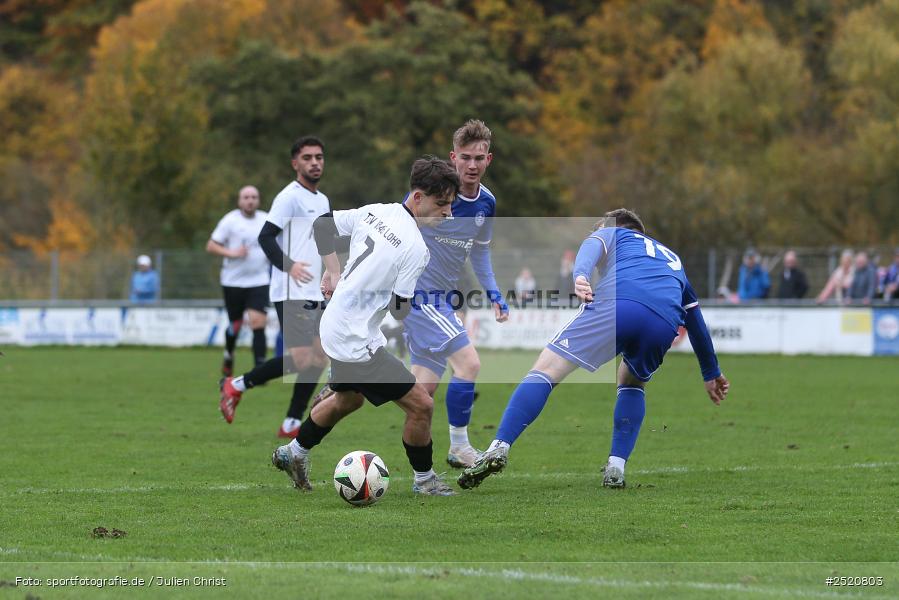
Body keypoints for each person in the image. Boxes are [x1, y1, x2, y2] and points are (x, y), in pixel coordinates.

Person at [458, 208, 729, 491]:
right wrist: (711, 372)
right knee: (631, 380)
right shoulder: (673, 259)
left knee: (546, 370)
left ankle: (498, 447)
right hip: (664, 322)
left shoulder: (613, 231)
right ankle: (616, 466)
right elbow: (695, 319)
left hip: (619, 304)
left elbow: (591, 246)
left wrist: (581, 275)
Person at [271, 156, 459, 496]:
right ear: (418, 197)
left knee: (349, 401)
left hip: (337, 325)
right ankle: (425, 480)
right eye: (441, 204)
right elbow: (400, 311)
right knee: (422, 405)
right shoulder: (417, 248)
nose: (447, 213)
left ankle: (292, 452)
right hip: (355, 339)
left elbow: (323, 225)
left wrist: (333, 270)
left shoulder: (377, 211)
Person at [395, 120, 510, 469]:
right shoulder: (432, 193)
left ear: (488, 159)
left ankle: (345, 393)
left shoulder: (486, 202)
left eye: (479, 158)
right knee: (469, 363)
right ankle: (459, 446)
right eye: (465, 157)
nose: (471, 165)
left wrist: (494, 293)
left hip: (441, 299)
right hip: (418, 296)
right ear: (453, 157)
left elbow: (480, 251)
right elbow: (396, 231)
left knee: (421, 394)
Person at [218, 136, 332, 438]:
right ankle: (236, 385)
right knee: (304, 358)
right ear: (295, 163)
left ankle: (292, 422)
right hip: (291, 290)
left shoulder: (322, 200)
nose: (314, 163)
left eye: (319, 157)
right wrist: (290, 266)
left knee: (320, 356)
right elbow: (266, 237)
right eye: (307, 158)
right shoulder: (289, 197)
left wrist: (332, 275)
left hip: (313, 291)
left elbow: (323, 242)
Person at [206, 185, 270, 376]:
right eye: (246, 197)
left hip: (259, 280)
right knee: (235, 324)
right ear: (239, 200)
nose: (250, 200)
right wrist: (232, 253)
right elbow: (211, 246)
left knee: (258, 322)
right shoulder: (230, 220)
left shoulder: (266, 219)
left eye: (254, 197)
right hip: (233, 282)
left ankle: (260, 368)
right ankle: (228, 355)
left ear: (258, 200)